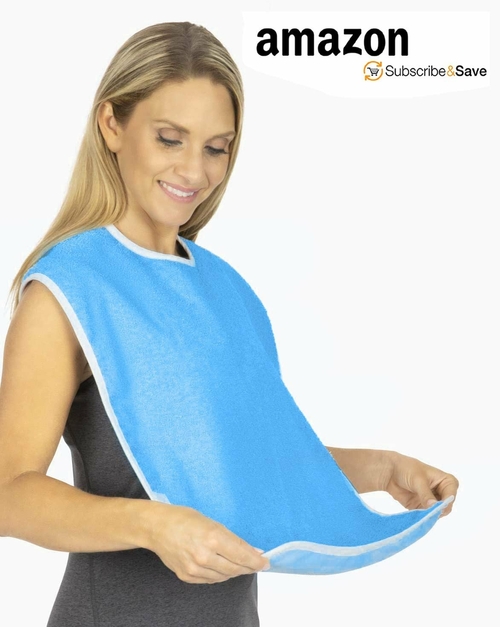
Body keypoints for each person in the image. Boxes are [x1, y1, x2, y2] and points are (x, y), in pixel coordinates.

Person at [0, 21, 459, 627]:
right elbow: (9, 493)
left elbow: (249, 462)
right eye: (170, 139)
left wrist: (380, 469)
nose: (194, 171)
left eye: (216, 148)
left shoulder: (229, 291)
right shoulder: (67, 289)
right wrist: (152, 526)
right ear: (111, 124)